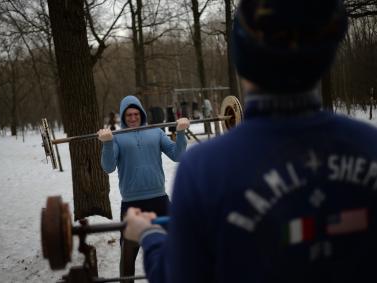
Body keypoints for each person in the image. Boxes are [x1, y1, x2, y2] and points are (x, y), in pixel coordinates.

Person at [123, 0, 377, 282]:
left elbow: (178, 276)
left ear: (242, 60)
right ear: (326, 56)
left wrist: (149, 234)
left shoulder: (205, 170)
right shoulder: (371, 146)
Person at [96, 95, 190, 282]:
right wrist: (107, 143)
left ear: (141, 114)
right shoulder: (117, 138)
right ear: (123, 117)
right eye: (128, 115)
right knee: (128, 257)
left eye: (135, 114)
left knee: (176, 247)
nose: (132, 118)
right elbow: (108, 167)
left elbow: (178, 155)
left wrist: (180, 133)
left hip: (159, 199)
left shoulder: (155, 132)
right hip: (132, 204)